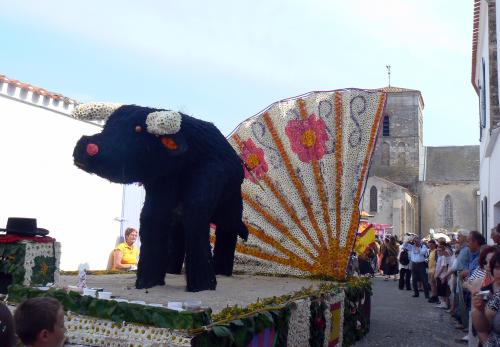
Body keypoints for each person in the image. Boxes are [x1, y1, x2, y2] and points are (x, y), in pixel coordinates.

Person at [472, 248, 500, 346]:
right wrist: (479, 310)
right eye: (497, 267)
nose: (487, 265)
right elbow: (482, 329)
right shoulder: (484, 288)